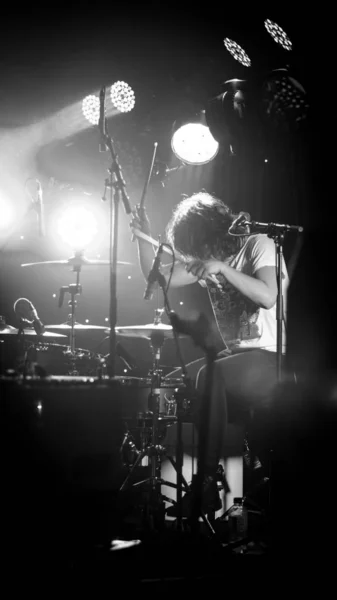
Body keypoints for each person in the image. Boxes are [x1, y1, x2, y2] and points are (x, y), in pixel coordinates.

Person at [131, 191, 288, 512]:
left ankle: (205, 484)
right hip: (239, 360)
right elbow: (158, 278)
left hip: (271, 357)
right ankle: (231, 467)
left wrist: (221, 268)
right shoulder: (207, 259)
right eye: (196, 251)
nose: (200, 254)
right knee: (178, 379)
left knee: (208, 375)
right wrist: (140, 238)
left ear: (214, 233)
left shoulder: (259, 245)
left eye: (202, 247)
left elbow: (268, 296)